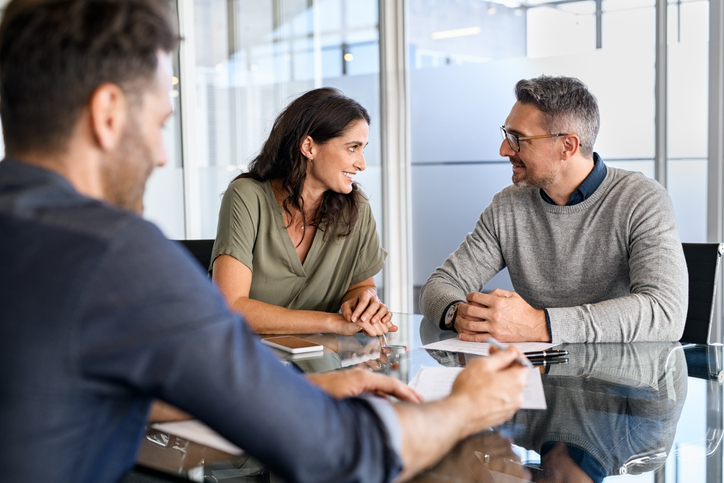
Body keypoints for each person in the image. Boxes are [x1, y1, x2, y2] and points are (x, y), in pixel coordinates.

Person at [0, 0, 530, 482]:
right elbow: (338, 452)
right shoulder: (116, 255)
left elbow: (69, 390)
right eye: (160, 123)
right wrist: (465, 405)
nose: (163, 154)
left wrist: (287, 393)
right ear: (108, 113)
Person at [420, 75, 688, 344]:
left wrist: (540, 324)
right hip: (540, 377)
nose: (504, 150)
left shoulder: (640, 200)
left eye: (518, 139)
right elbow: (439, 286)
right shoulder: (508, 206)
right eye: (506, 135)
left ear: (567, 146)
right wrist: (459, 314)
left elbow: (665, 313)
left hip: (625, 380)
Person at [212, 88, 393, 337]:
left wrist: (364, 302)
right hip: (252, 362)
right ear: (309, 147)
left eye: (363, 149)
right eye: (352, 148)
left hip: (326, 365)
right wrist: (333, 322)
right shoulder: (247, 197)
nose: (361, 163)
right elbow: (231, 306)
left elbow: (361, 284)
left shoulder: (357, 207)